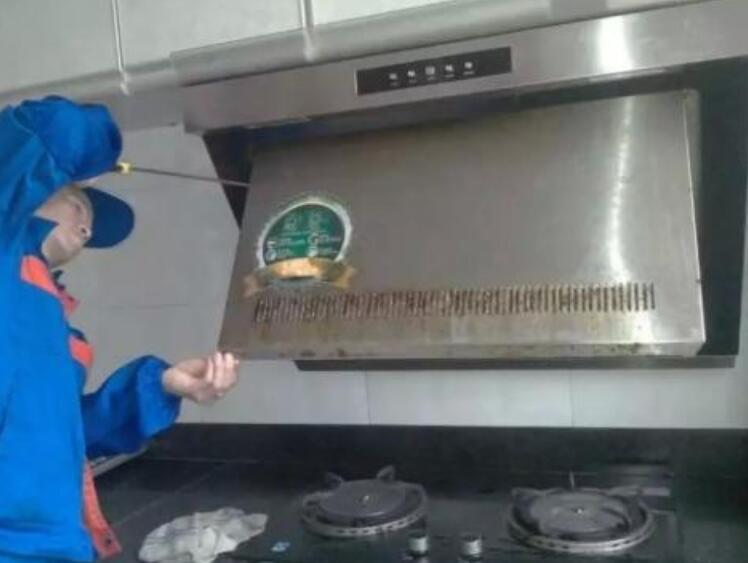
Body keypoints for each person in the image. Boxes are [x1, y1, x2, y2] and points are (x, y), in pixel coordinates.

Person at [0, 96, 239, 562]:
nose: (87, 229)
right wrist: (88, 161)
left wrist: (161, 385)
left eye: (91, 226)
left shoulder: (60, 330)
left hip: (59, 544)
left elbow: (62, 436)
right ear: (34, 191)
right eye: (78, 206)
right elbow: (55, 129)